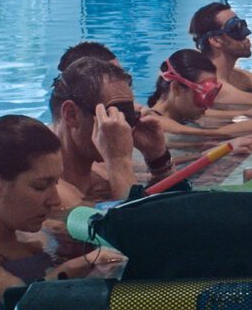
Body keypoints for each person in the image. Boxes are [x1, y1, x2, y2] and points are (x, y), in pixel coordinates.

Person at [0, 115, 124, 310]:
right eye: (40, 186)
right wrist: (81, 264)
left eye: (56, 182)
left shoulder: (33, 225)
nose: (55, 199)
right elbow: (27, 304)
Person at [50, 57, 171, 206]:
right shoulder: (50, 194)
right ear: (71, 114)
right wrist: (118, 161)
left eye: (129, 116)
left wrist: (157, 158)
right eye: (114, 115)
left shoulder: (102, 170)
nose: (124, 127)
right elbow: (136, 227)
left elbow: (174, 207)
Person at [147, 50, 252, 139]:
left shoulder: (186, 114)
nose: (208, 104)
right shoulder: (153, 122)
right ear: (177, 89)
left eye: (213, 94)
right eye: (205, 95)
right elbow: (216, 134)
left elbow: (243, 113)